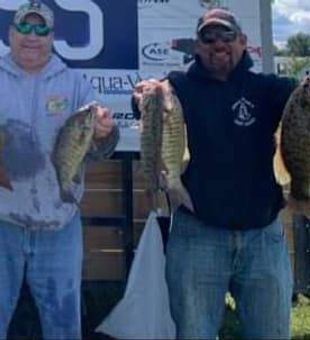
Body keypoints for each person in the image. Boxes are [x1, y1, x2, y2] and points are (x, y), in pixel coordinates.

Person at [132, 7, 303, 339]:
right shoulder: (177, 86)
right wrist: (143, 95)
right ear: (196, 46)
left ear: (242, 41)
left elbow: (301, 102)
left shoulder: (269, 89)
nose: (217, 43)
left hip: (263, 238)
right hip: (197, 236)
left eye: (226, 35)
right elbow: (145, 102)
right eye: (207, 37)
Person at [0, 1, 119, 339]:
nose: (32, 36)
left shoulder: (75, 84)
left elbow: (101, 149)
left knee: (64, 327)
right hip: (1, 223)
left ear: (52, 37)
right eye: (25, 27)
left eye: (41, 29)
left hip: (59, 224)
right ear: (11, 33)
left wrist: (104, 133)